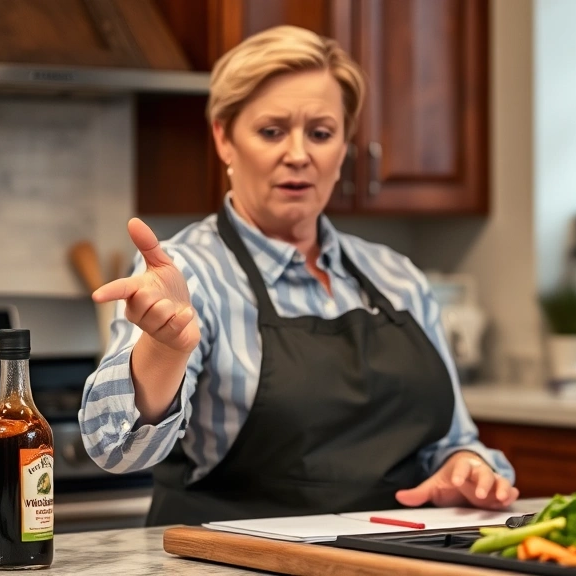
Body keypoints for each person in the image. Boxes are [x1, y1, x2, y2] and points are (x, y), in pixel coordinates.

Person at [79, 25, 516, 526]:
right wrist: (164, 349)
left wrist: (467, 467)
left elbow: (453, 441)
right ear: (224, 137)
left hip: (389, 558)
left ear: (345, 146)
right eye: (271, 131)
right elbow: (114, 452)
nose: (299, 154)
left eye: (321, 133)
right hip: (238, 563)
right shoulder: (186, 274)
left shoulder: (398, 277)